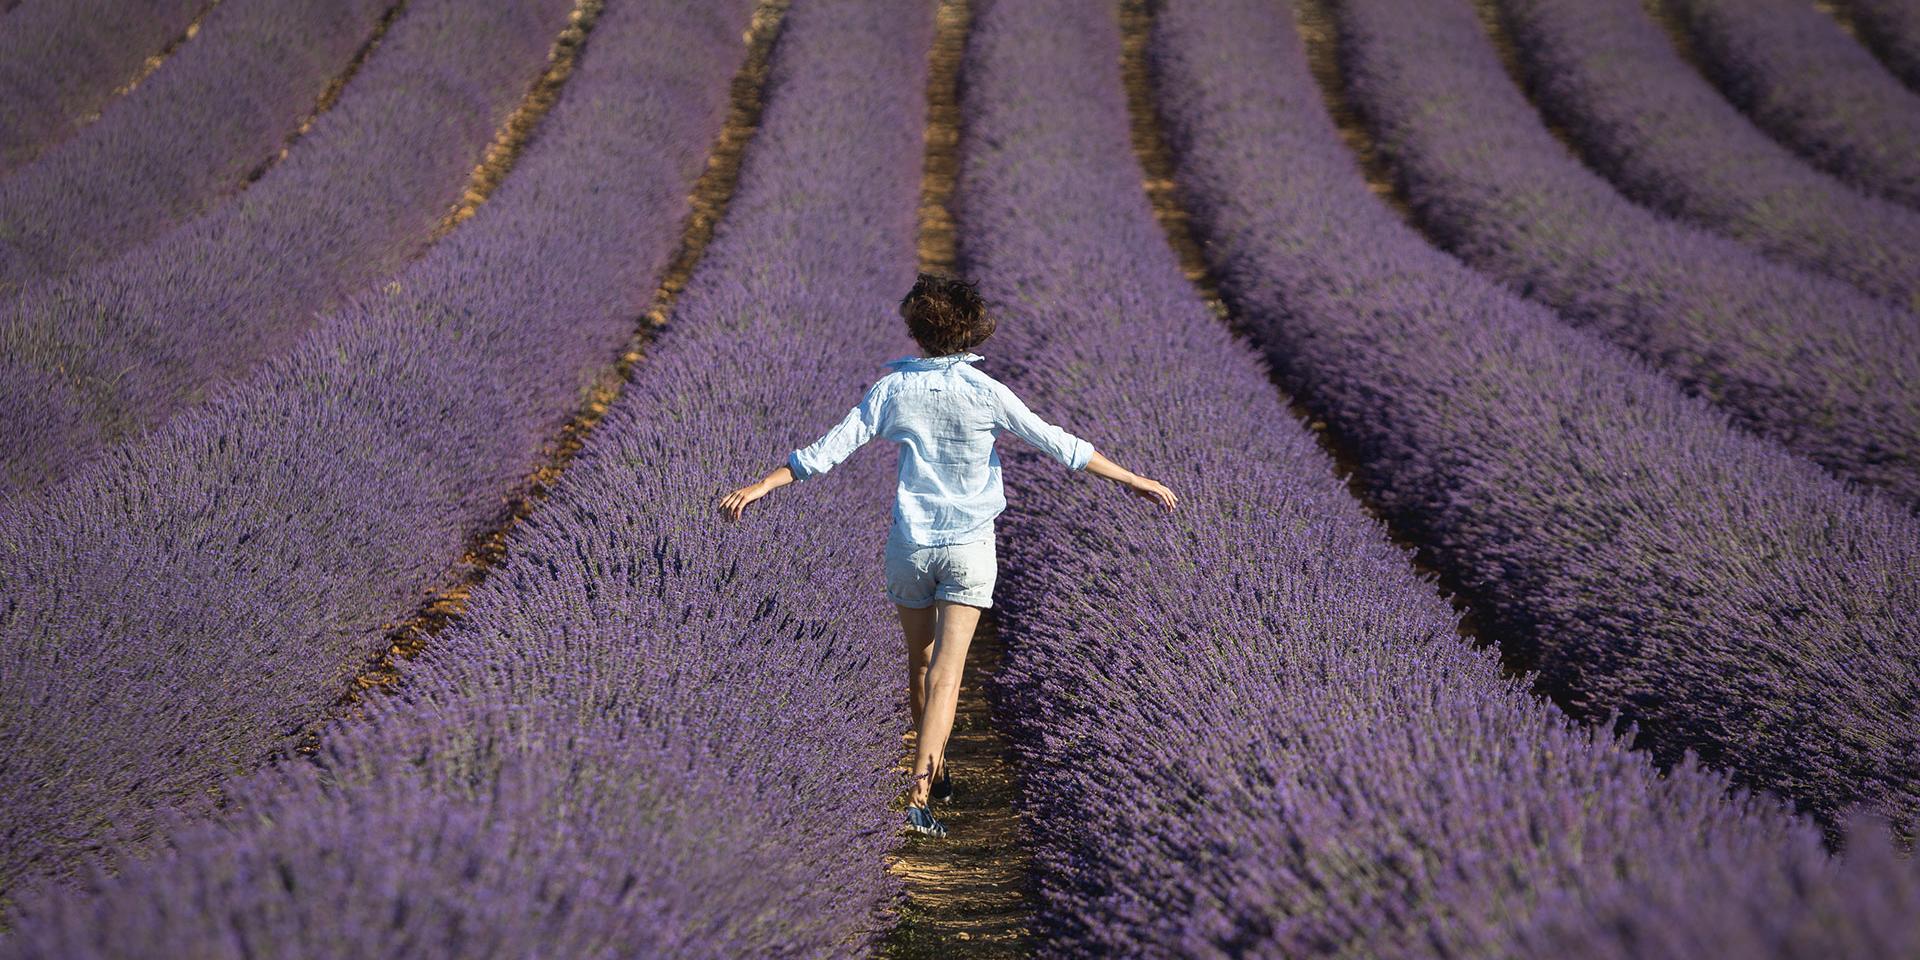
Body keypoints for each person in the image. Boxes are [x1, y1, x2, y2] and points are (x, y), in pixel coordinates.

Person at [718, 273, 1177, 838]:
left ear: (918, 332)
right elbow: (1062, 445)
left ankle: (935, 773)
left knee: (919, 662)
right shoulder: (987, 392)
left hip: (909, 545)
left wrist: (763, 485)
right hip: (968, 546)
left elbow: (826, 452)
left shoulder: (891, 391)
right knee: (947, 674)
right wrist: (1133, 478)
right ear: (970, 333)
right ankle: (921, 791)